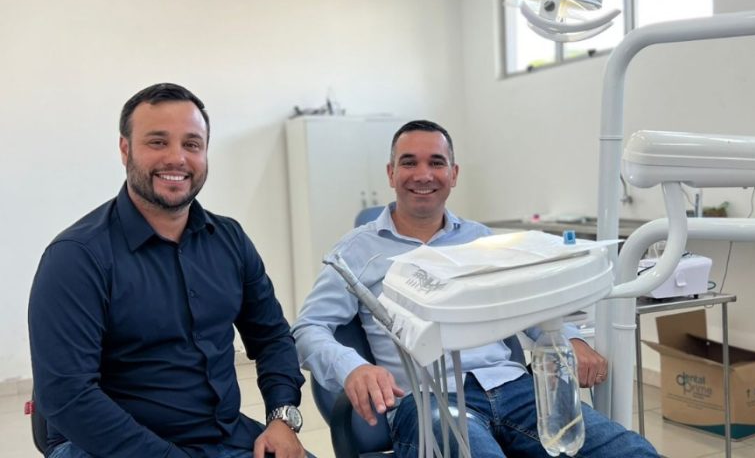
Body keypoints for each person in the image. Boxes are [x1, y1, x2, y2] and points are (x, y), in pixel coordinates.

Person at [292, 119, 658, 457]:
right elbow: (308, 328)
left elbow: (526, 304)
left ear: (453, 174)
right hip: (429, 399)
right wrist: (352, 368)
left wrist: (570, 338)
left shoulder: (481, 241)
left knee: (632, 451)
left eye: (436, 163)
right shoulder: (355, 253)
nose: (423, 174)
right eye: (409, 162)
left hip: (516, 389)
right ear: (391, 173)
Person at [29, 83, 312, 458]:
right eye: (158, 142)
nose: (177, 158)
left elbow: (273, 336)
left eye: (192, 144)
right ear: (125, 150)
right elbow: (68, 395)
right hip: (108, 447)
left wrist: (282, 419)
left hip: (223, 438)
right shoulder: (76, 257)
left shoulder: (230, 240)